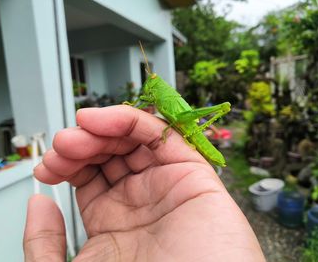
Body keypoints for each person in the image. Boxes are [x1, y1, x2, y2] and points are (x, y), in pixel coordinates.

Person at [24, 105, 265, 261]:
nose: (149, 84)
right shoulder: (151, 96)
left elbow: (176, 116)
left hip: (187, 124)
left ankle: (199, 133)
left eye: (152, 81)